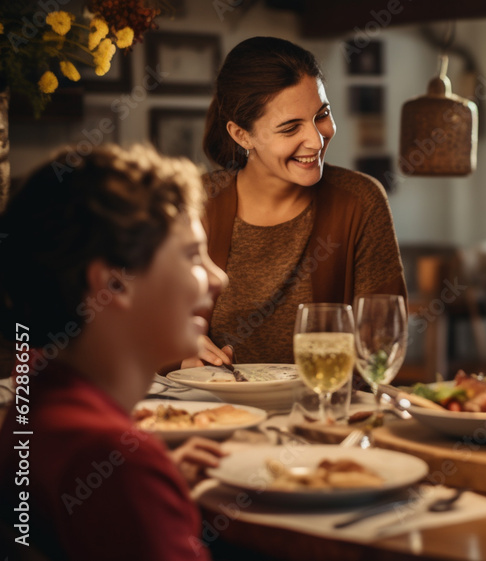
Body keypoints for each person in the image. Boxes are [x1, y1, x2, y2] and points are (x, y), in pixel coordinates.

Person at [0, 145, 229, 560]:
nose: (219, 278)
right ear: (113, 285)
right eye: (193, 255)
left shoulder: (32, 409)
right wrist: (138, 482)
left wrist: (153, 487)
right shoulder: (115, 462)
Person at [187, 36, 407, 368]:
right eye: (291, 128)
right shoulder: (195, 204)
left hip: (325, 412)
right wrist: (178, 349)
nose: (316, 140)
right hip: (210, 413)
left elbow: (383, 340)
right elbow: (142, 326)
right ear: (241, 135)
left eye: (322, 115)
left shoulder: (361, 200)